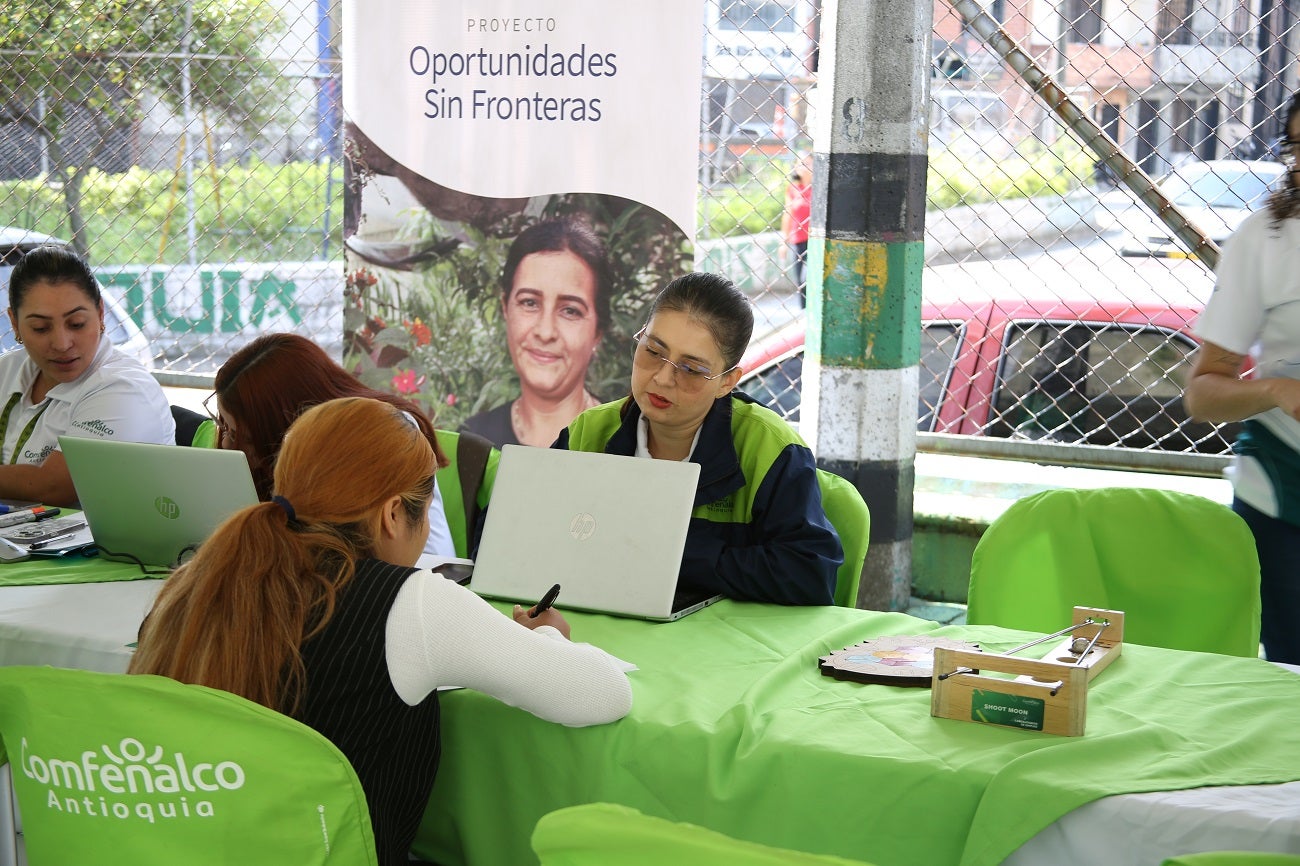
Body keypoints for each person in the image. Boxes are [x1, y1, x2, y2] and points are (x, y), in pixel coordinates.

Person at [128, 396, 632, 866]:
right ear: (394, 513)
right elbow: (604, 693)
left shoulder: (196, 583)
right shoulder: (411, 602)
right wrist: (546, 639)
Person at [555, 272, 842, 605]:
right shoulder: (587, 433)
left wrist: (671, 551)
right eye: (653, 351)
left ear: (727, 382)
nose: (663, 378)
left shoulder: (770, 449)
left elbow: (810, 574)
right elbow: (515, 531)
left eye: (691, 369)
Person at [1184, 91, 1300, 665]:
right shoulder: (1267, 239)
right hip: (1285, 492)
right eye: (1299, 148)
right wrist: (1276, 390)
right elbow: (1203, 392)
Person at [207, 333, 456, 558]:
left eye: (244, 438)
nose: (228, 446)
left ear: (285, 427)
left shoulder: (384, 434)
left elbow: (418, 557)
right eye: (224, 427)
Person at [0, 244, 173, 506]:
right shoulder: (8, 369)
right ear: (14, 323)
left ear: (100, 313)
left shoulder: (123, 388)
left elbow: (57, 487)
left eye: (77, 324)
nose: (61, 343)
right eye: (40, 328)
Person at [460, 217, 611, 448]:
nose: (545, 331)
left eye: (570, 310)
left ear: (598, 331)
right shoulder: (472, 443)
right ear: (505, 309)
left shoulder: (626, 444)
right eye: (530, 303)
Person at [780, 154, 813, 308]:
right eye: (799, 163)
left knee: (811, 277)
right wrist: (783, 240)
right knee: (801, 280)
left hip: (815, 240)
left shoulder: (818, 188)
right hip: (799, 240)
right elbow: (788, 213)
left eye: (806, 163)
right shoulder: (793, 189)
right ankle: (804, 311)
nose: (802, 166)